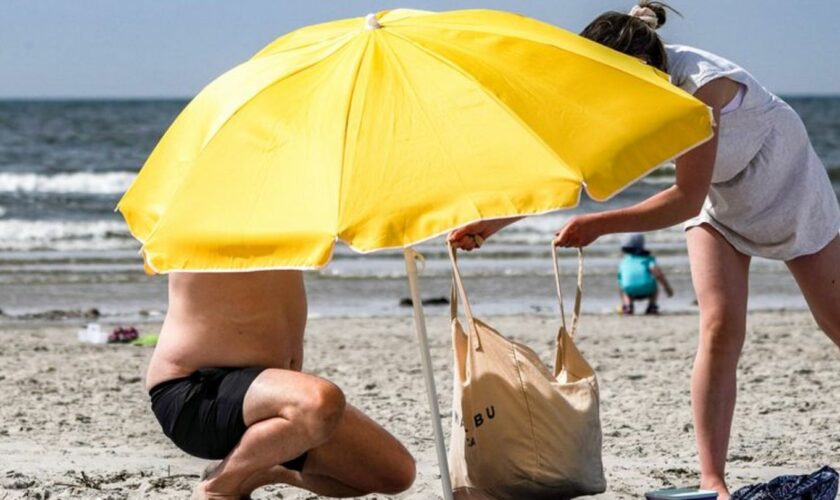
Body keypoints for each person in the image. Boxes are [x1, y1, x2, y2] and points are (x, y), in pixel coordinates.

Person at [449, 2, 840, 498]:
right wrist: (495, 222)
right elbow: (573, 169)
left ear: (648, 76)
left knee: (835, 322)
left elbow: (682, 198)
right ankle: (712, 480)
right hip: (717, 202)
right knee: (720, 327)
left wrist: (598, 225)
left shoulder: (701, 88)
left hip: (782, 180)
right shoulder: (612, 92)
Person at [145, 271, 415, 499]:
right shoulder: (204, 213)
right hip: (197, 392)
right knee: (319, 401)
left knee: (396, 473)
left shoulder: (287, 219)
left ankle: (263, 468)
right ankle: (219, 488)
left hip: (268, 396)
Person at [617, 233, 673, 315]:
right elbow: (658, 274)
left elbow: (620, 280)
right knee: (654, 283)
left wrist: (622, 299)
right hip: (647, 289)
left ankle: (628, 305)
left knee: (623, 287)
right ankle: (652, 305)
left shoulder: (624, 261)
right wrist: (667, 288)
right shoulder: (648, 259)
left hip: (629, 290)